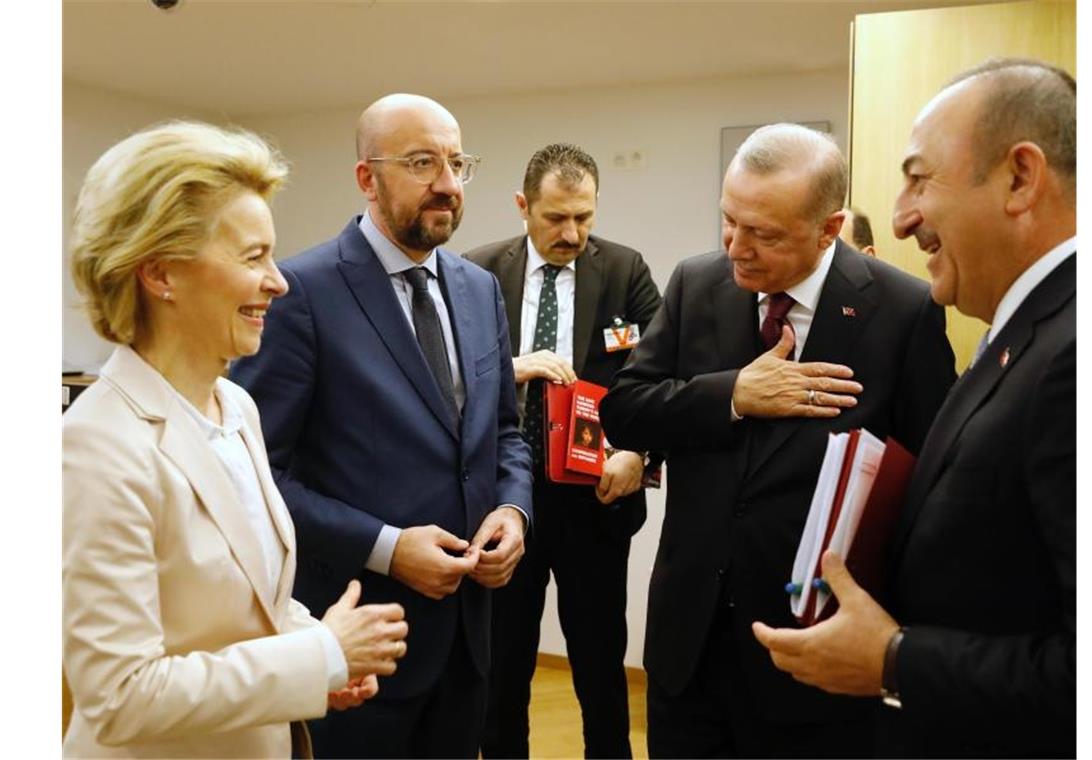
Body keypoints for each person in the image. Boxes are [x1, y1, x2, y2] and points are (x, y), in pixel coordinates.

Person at [599, 123, 957, 757]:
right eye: (728, 221)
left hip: (818, 657)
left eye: (763, 234)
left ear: (829, 228)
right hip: (691, 648)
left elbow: (933, 482)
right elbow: (625, 412)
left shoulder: (904, 311)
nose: (737, 248)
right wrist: (732, 393)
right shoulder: (695, 284)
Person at [752, 58, 1076, 758]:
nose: (899, 219)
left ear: (1021, 178)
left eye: (918, 179)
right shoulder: (1019, 337)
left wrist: (895, 660)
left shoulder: (1081, 355)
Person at [63, 121, 409, 759]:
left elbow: (247, 602)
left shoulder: (237, 406)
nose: (279, 281)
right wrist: (322, 654)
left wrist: (320, 655)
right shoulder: (96, 445)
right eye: (253, 257)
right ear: (161, 271)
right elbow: (119, 695)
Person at [229, 94, 533, 759]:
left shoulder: (480, 289)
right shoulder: (299, 293)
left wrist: (513, 510)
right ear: (367, 177)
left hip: (466, 642)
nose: (448, 185)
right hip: (356, 646)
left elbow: (504, 435)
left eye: (458, 163)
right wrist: (388, 547)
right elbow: (253, 476)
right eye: (422, 163)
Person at [466, 143, 662, 758]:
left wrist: (639, 453)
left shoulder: (625, 271)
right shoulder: (479, 273)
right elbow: (445, 378)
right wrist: (512, 369)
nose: (571, 232)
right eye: (555, 218)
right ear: (523, 207)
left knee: (601, 670)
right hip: (506, 503)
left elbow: (658, 377)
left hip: (594, 503)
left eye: (584, 217)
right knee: (502, 673)